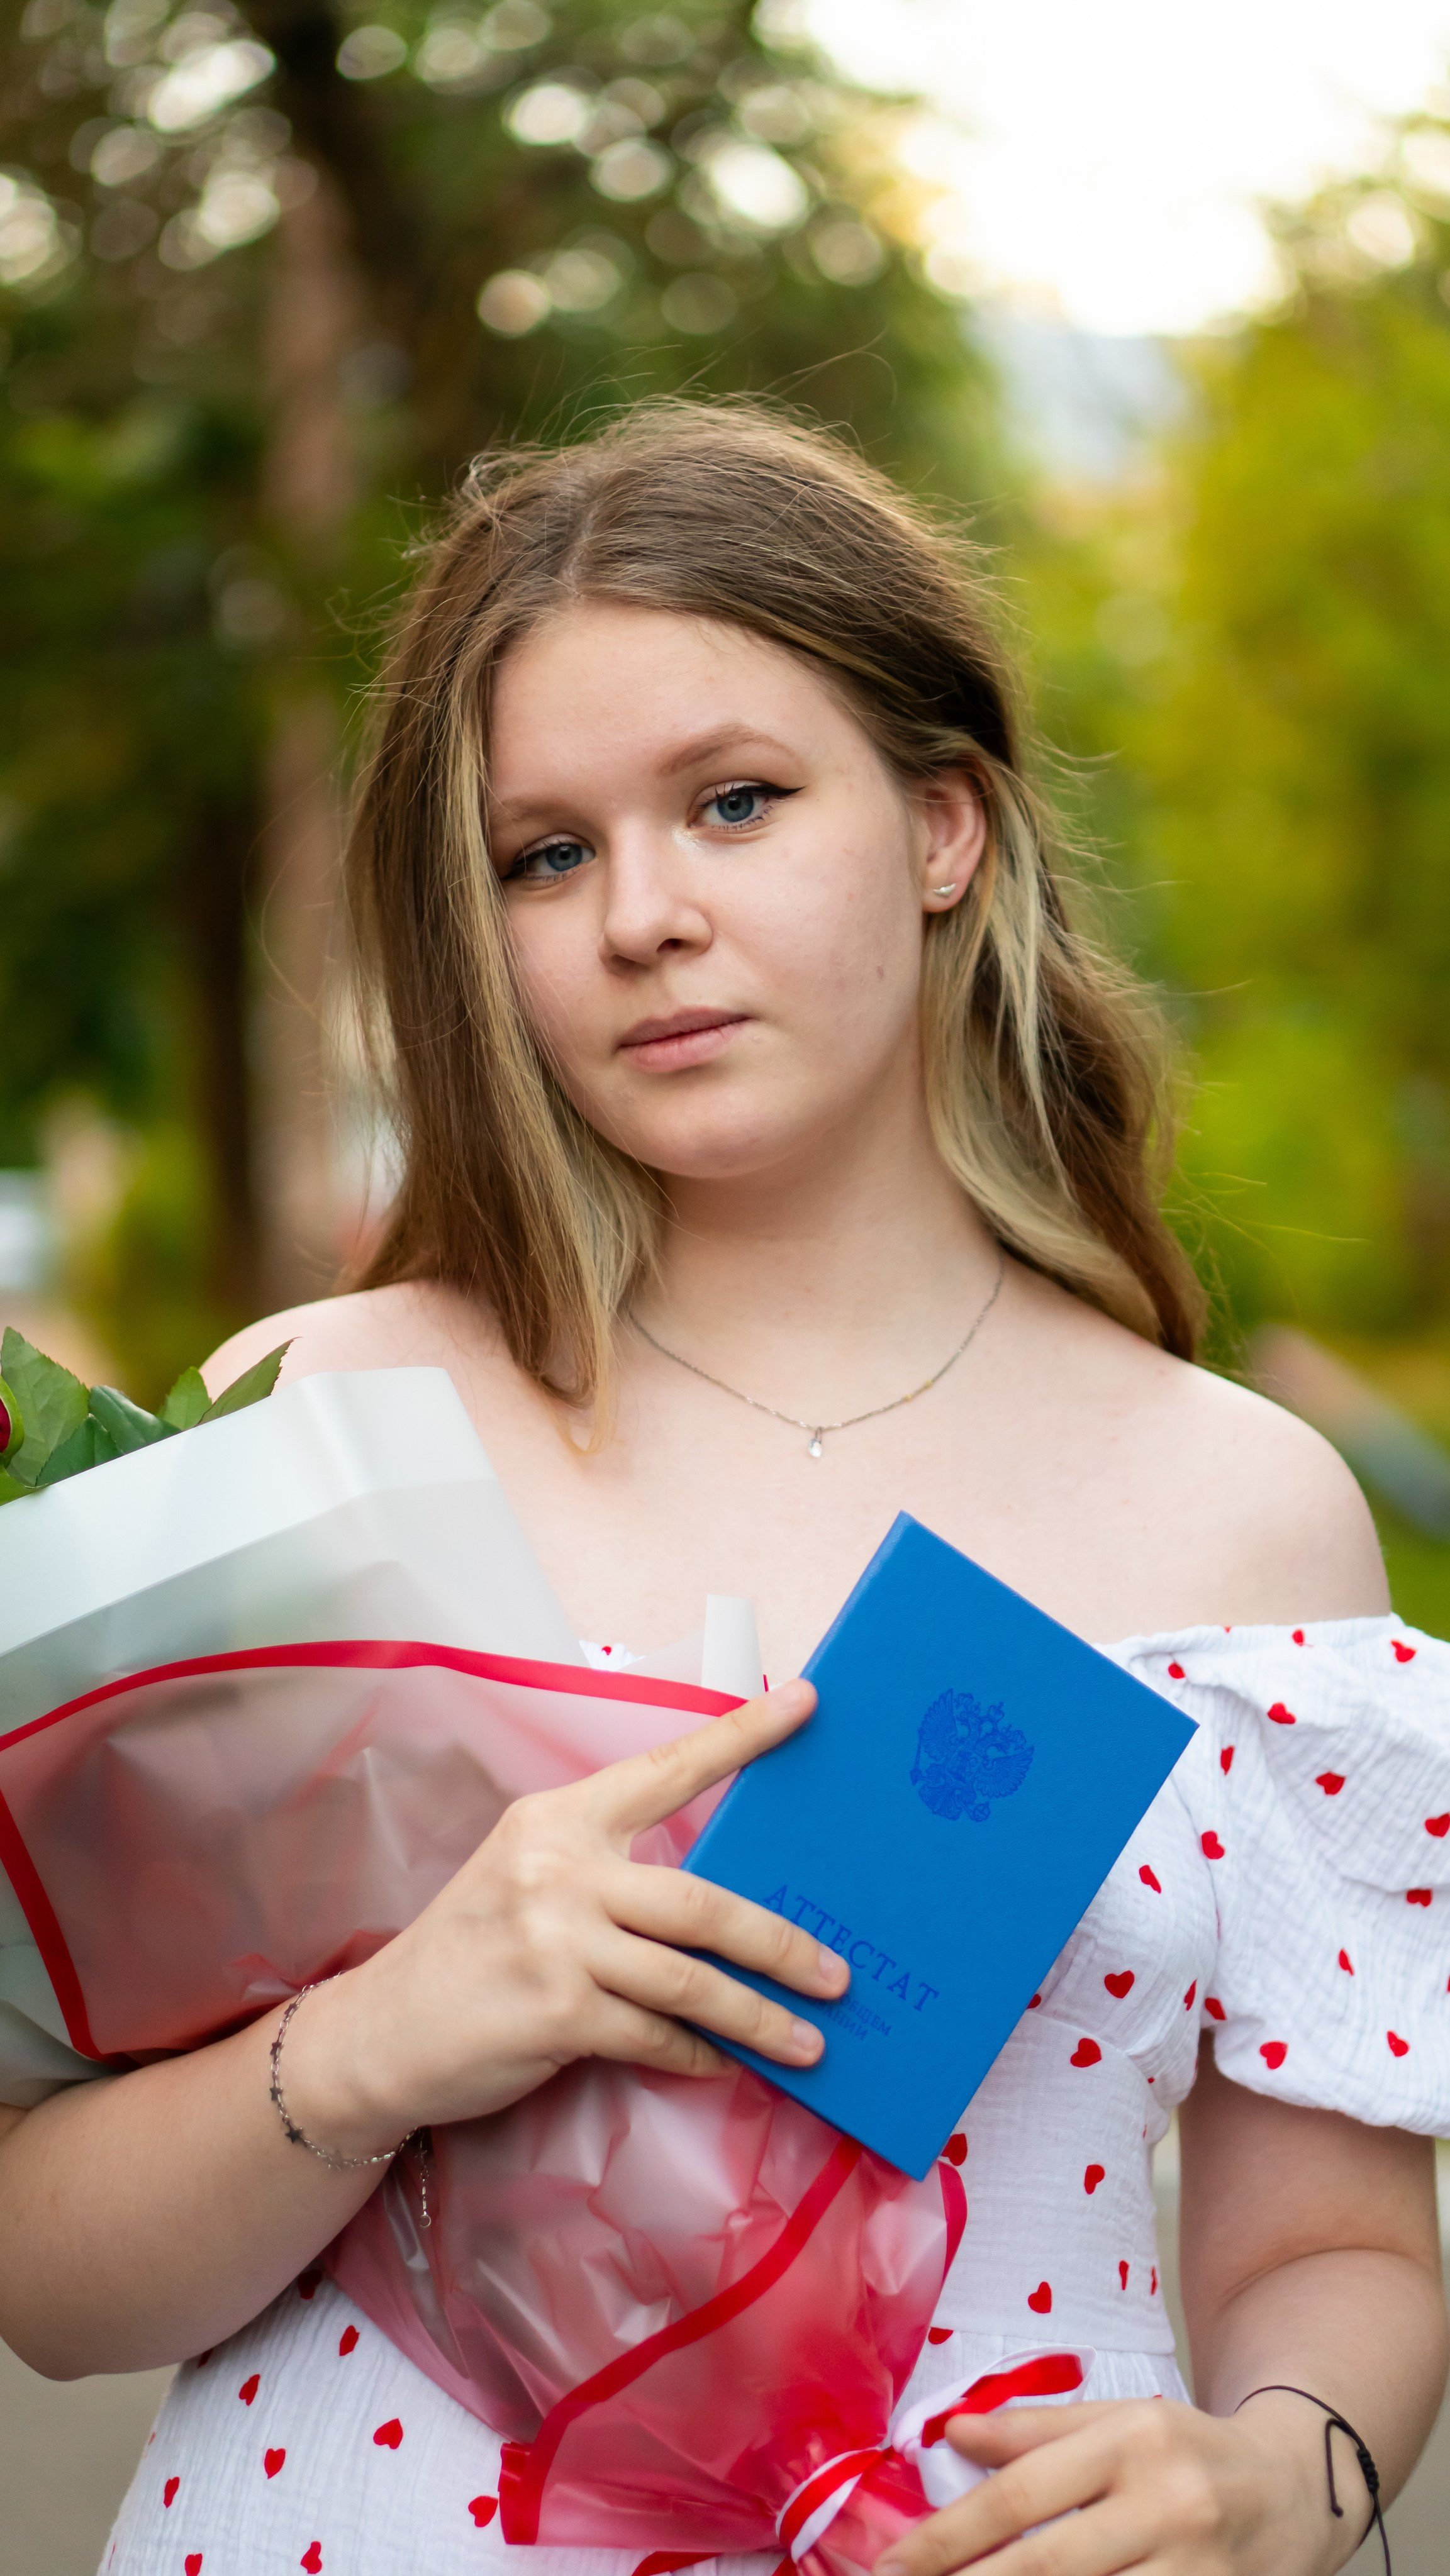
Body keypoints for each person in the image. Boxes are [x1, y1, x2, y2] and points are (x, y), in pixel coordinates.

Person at [1, 402, 1446, 2576]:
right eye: (545, 853)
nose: (643, 918)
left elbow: (1333, 2248)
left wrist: (1282, 2475)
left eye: (736, 803)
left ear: (943, 827)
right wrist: (382, 2037)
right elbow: (46, 2283)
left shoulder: (1245, 1513)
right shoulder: (302, 1431)